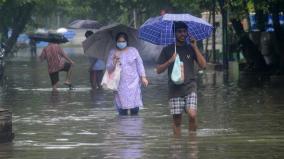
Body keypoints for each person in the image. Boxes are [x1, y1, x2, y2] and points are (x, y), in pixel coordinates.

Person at [156, 21, 206, 136]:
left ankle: (192, 143)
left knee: (192, 114)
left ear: (187, 33)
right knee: (177, 121)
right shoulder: (167, 50)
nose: (182, 34)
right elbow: (158, 70)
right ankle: (176, 146)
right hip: (174, 90)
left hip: (190, 87)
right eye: (179, 31)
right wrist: (170, 61)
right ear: (174, 33)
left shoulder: (191, 48)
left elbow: (203, 65)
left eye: (184, 31)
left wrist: (195, 47)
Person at [106, 32, 149, 115]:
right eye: (119, 41)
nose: (121, 43)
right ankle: (123, 126)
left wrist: (143, 77)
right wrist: (114, 62)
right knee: (122, 110)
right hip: (119, 84)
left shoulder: (133, 50)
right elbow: (108, 68)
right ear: (116, 42)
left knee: (135, 109)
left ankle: (134, 126)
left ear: (126, 41)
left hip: (134, 83)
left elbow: (139, 64)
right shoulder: (113, 52)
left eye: (123, 41)